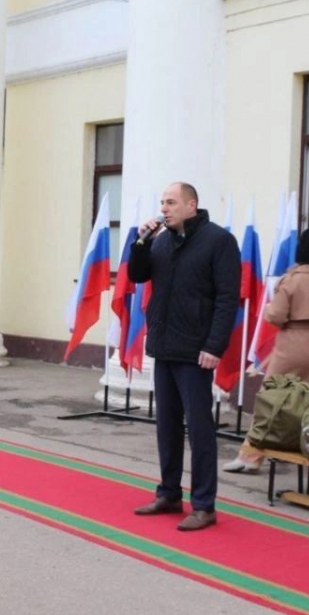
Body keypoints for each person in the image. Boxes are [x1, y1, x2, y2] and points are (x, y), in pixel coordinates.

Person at [127, 181, 240, 532]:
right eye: (162, 202)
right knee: (167, 425)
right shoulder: (160, 240)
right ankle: (169, 492)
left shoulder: (218, 241)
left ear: (192, 205)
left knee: (199, 427)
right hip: (165, 345)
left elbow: (227, 299)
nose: (164, 209)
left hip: (196, 349)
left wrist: (214, 346)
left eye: (171, 202)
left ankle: (204, 505)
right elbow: (137, 275)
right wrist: (140, 242)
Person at [224, 229, 309, 473]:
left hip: (292, 343)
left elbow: (276, 315)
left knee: (270, 401)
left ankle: (250, 457)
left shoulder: (289, 281)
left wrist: (269, 309)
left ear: (298, 255)